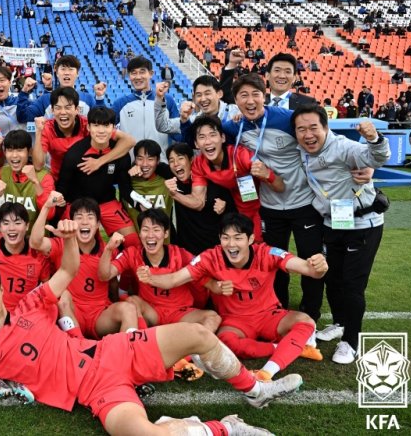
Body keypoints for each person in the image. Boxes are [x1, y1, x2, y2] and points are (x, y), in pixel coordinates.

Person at [0, 220, 303, 435]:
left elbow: (65, 272)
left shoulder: (29, 303)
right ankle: (226, 427)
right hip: (96, 393)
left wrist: (64, 240)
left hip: (113, 352)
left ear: (2, 292)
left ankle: (254, 391)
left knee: (200, 336)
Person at [149, 213, 326, 381]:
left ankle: (266, 373)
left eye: (238, 238)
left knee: (305, 321)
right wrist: (149, 277)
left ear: (250, 239)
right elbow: (173, 279)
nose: (231, 244)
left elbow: (308, 269)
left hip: (268, 316)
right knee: (226, 342)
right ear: (220, 239)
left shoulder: (266, 253)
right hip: (235, 322)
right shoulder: (210, 257)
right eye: (225, 237)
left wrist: (318, 267)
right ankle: (288, 347)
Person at [222, 73, 326, 321]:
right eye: (243, 96)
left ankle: (311, 313)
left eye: (255, 94)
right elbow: (203, 134)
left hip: (303, 204)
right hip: (269, 207)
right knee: (275, 263)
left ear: (264, 96)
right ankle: (278, 311)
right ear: (235, 101)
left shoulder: (286, 119)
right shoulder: (234, 126)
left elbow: (317, 132)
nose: (249, 101)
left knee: (311, 261)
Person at [292, 106, 390, 363]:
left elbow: (377, 157)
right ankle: (340, 323)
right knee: (332, 279)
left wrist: (373, 138)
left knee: (352, 285)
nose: (308, 134)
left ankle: (351, 341)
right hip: (332, 223)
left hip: (363, 224)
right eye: (301, 129)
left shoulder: (344, 147)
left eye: (313, 127)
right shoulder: (301, 151)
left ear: (326, 127)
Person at [31, 196, 141, 339]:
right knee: (62, 296)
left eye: (90, 217)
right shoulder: (61, 244)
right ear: (72, 223)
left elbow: (113, 285)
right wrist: (46, 207)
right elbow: (35, 243)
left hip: (100, 315)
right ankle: (79, 348)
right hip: (72, 311)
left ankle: (127, 354)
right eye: (79, 217)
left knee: (129, 309)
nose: (84, 221)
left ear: (97, 225)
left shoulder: (109, 249)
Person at [97, 209, 220, 332]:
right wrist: (108, 249)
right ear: (139, 233)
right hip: (152, 311)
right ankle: (138, 343)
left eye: (156, 230)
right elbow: (104, 276)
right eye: (145, 230)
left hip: (180, 312)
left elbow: (205, 277)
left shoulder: (182, 255)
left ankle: (195, 348)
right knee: (131, 302)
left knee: (213, 317)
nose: (150, 235)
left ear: (166, 233)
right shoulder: (132, 253)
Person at [188, 115, 285, 242]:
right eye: (202, 137)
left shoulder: (240, 155)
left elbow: (280, 187)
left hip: (260, 210)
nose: (208, 141)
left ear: (222, 138)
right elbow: (198, 200)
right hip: (234, 214)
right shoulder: (198, 164)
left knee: (263, 252)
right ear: (196, 144)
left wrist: (267, 174)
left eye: (212, 135)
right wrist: (174, 194)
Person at [57, 107, 139, 248]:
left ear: (113, 128)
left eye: (106, 125)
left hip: (107, 202)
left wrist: (141, 205)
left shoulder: (120, 153)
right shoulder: (75, 154)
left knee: (132, 242)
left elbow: (126, 188)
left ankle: (119, 267)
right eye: (96, 125)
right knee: (70, 243)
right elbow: (62, 188)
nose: (101, 131)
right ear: (88, 127)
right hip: (79, 204)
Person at [33, 87, 135, 179]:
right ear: (52, 111)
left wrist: (100, 161)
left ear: (77, 109)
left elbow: (129, 141)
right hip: (59, 181)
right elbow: (38, 165)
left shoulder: (88, 125)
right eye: (58, 108)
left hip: (86, 178)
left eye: (68, 107)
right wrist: (38, 132)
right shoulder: (46, 128)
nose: (63, 112)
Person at [165, 143, 236, 254]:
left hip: (214, 249)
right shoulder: (171, 180)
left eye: (180, 158)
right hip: (186, 252)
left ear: (191, 160)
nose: (176, 164)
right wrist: (136, 167)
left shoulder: (212, 180)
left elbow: (233, 212)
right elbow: (152, 165)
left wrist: (224, 207)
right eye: (171, 160)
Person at [113, 56, 177, 159]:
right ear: (129, 76)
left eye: (142, 72)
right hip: (131, 167)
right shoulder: (120, 104)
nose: (138, 77)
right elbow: (105, 128)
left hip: (161, 165)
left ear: (151, 74)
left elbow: (177, 134)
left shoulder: (167, 100)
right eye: (133, 73)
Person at [0, 130, 55, 229]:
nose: (14, 155)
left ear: (30, 152)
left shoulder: (44, 176)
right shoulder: (2, 173)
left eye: (19, 150)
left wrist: (35, 182)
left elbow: (50, 214)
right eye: (10, 150)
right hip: (10, 237)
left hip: (36, 239)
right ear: (5, 152)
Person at [16, 55, 105, 122]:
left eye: (71, 69)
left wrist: (100, 98)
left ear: (78, 73)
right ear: (57, 73)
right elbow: (23, 117)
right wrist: (24, 92)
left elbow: (101, 121)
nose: (67, 73)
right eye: (63, 69)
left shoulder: (87, 99)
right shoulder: (46, 99)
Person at [125, 140, 175, 227]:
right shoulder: (125, 180)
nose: (145, 164)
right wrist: (127, 174)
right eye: (140, 159)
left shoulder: (168, 178)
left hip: (162, 237)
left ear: (158, 160)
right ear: (135, 159)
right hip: (133, 238)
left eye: (150, 159)